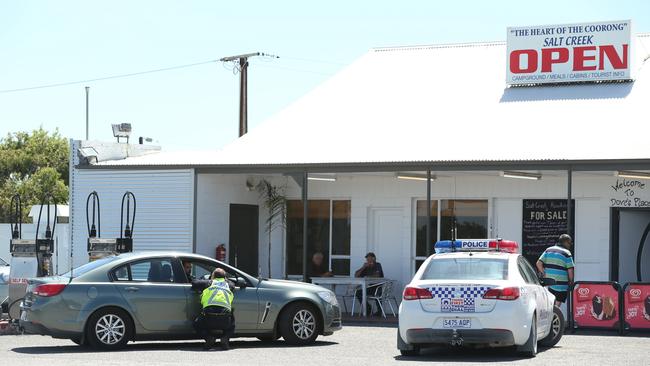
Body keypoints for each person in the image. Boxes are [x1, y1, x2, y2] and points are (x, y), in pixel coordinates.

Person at [192, 268, 235, 350]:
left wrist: (205, 279)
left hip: (209, 317)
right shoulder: (229, 285)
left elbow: (194, 283)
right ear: (225, 278)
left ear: (213, 276)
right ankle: (225, 338)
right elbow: (232, 284)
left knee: (196, 324)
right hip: (225, 319)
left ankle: (208, 338)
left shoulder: (209, 283)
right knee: (232, 323)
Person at [536, 234, 575, 307]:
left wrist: (544, 274)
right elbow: (570, 270)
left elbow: (538, 263)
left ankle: (552, 316)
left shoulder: (548, 250)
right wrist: (571, 282)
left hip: (550, 284)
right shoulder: (567, 253)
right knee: (557, 307)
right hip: (561, 286)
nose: (570, 245)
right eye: (569, 243)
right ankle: (554, 316)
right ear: (566, 242)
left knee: (550, 305)